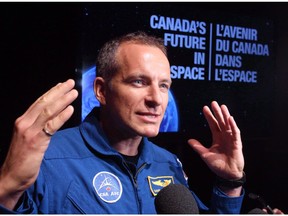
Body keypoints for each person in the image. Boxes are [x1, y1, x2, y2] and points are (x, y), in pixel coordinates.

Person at [0, 31, 246, 214]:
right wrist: (7, 190)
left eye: (163, 86)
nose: (156, 100)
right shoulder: (47, 158)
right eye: (138, 81)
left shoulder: (168, 164)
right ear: (101, 90)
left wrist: (230, 183)